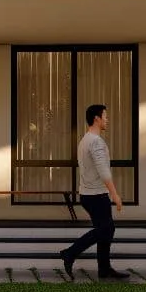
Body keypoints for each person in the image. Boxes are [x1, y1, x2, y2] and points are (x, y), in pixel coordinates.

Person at [59, 104, 130, 282]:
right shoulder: (95, 141)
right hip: (96, 195)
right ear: (97, 119)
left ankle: (104, 269)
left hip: (90, 194)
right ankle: (70, 253)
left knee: (106, 230)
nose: (107, 119)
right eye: (105, 116)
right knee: (106, 229)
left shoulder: (85, 140)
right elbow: (103, 170)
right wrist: (115, 194)